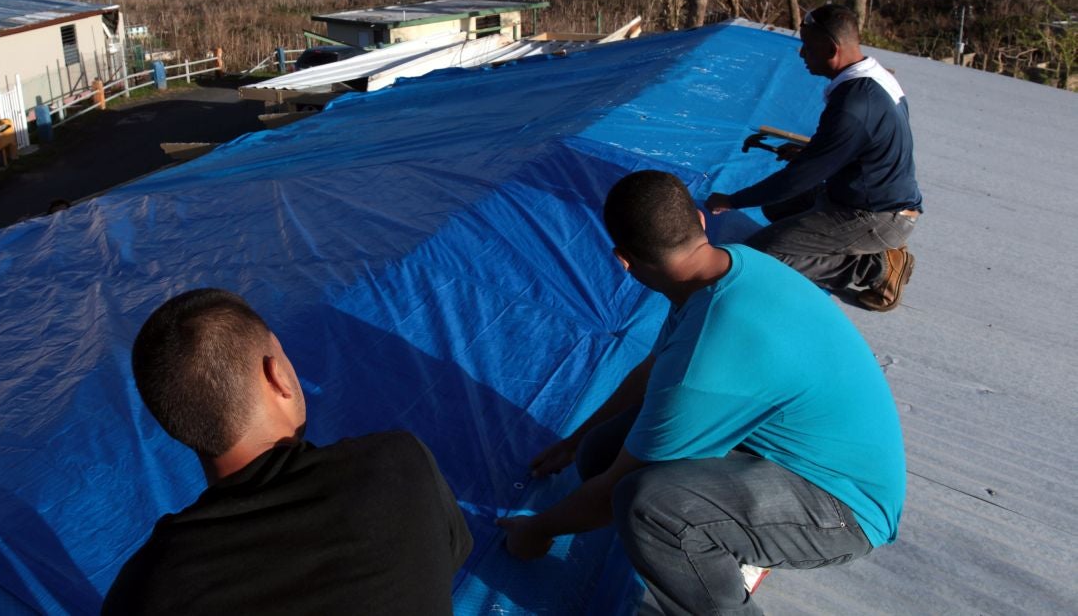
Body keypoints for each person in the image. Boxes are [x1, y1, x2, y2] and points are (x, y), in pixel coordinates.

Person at [498, 170, 905, 615]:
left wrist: (537, 531)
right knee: (600, 453)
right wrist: (575, 441)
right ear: (698, 220)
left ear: (623, 260)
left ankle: (728, 585)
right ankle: (722, 537)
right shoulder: (732, 269)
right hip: (809, 451)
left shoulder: (705, 355)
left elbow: (611, 491)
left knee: (651, 509)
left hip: (845, 508)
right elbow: (652, 370)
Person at [104, 288, 472, 615]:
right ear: (276, 374)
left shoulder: (142, 591)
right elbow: (449, 556)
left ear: (175, 424)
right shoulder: (399, 465)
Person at [704, 4, 922, 311]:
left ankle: (876, 267)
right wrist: (817, 151)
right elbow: (868, 141)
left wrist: (732, 200)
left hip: (876, 215)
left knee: (760, 258)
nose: (801, 54)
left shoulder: (853, 105)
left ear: (831, 49)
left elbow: (798, 178)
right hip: (868, 194)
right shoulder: (874, 77)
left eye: (807, 46)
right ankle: (871, 252)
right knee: (776, 205)